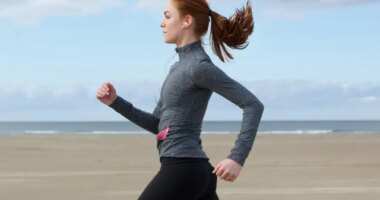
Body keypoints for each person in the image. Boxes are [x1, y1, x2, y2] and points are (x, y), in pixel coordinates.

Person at [96, 0, 264, 199]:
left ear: (187, 21)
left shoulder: (197, 66)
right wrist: (116, 102)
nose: (162, 23)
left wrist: (237, 158)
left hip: (184, 169)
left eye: (167, 16)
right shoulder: (178, 68)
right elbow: (158, 125)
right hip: (193, 170)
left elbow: (253, 105)